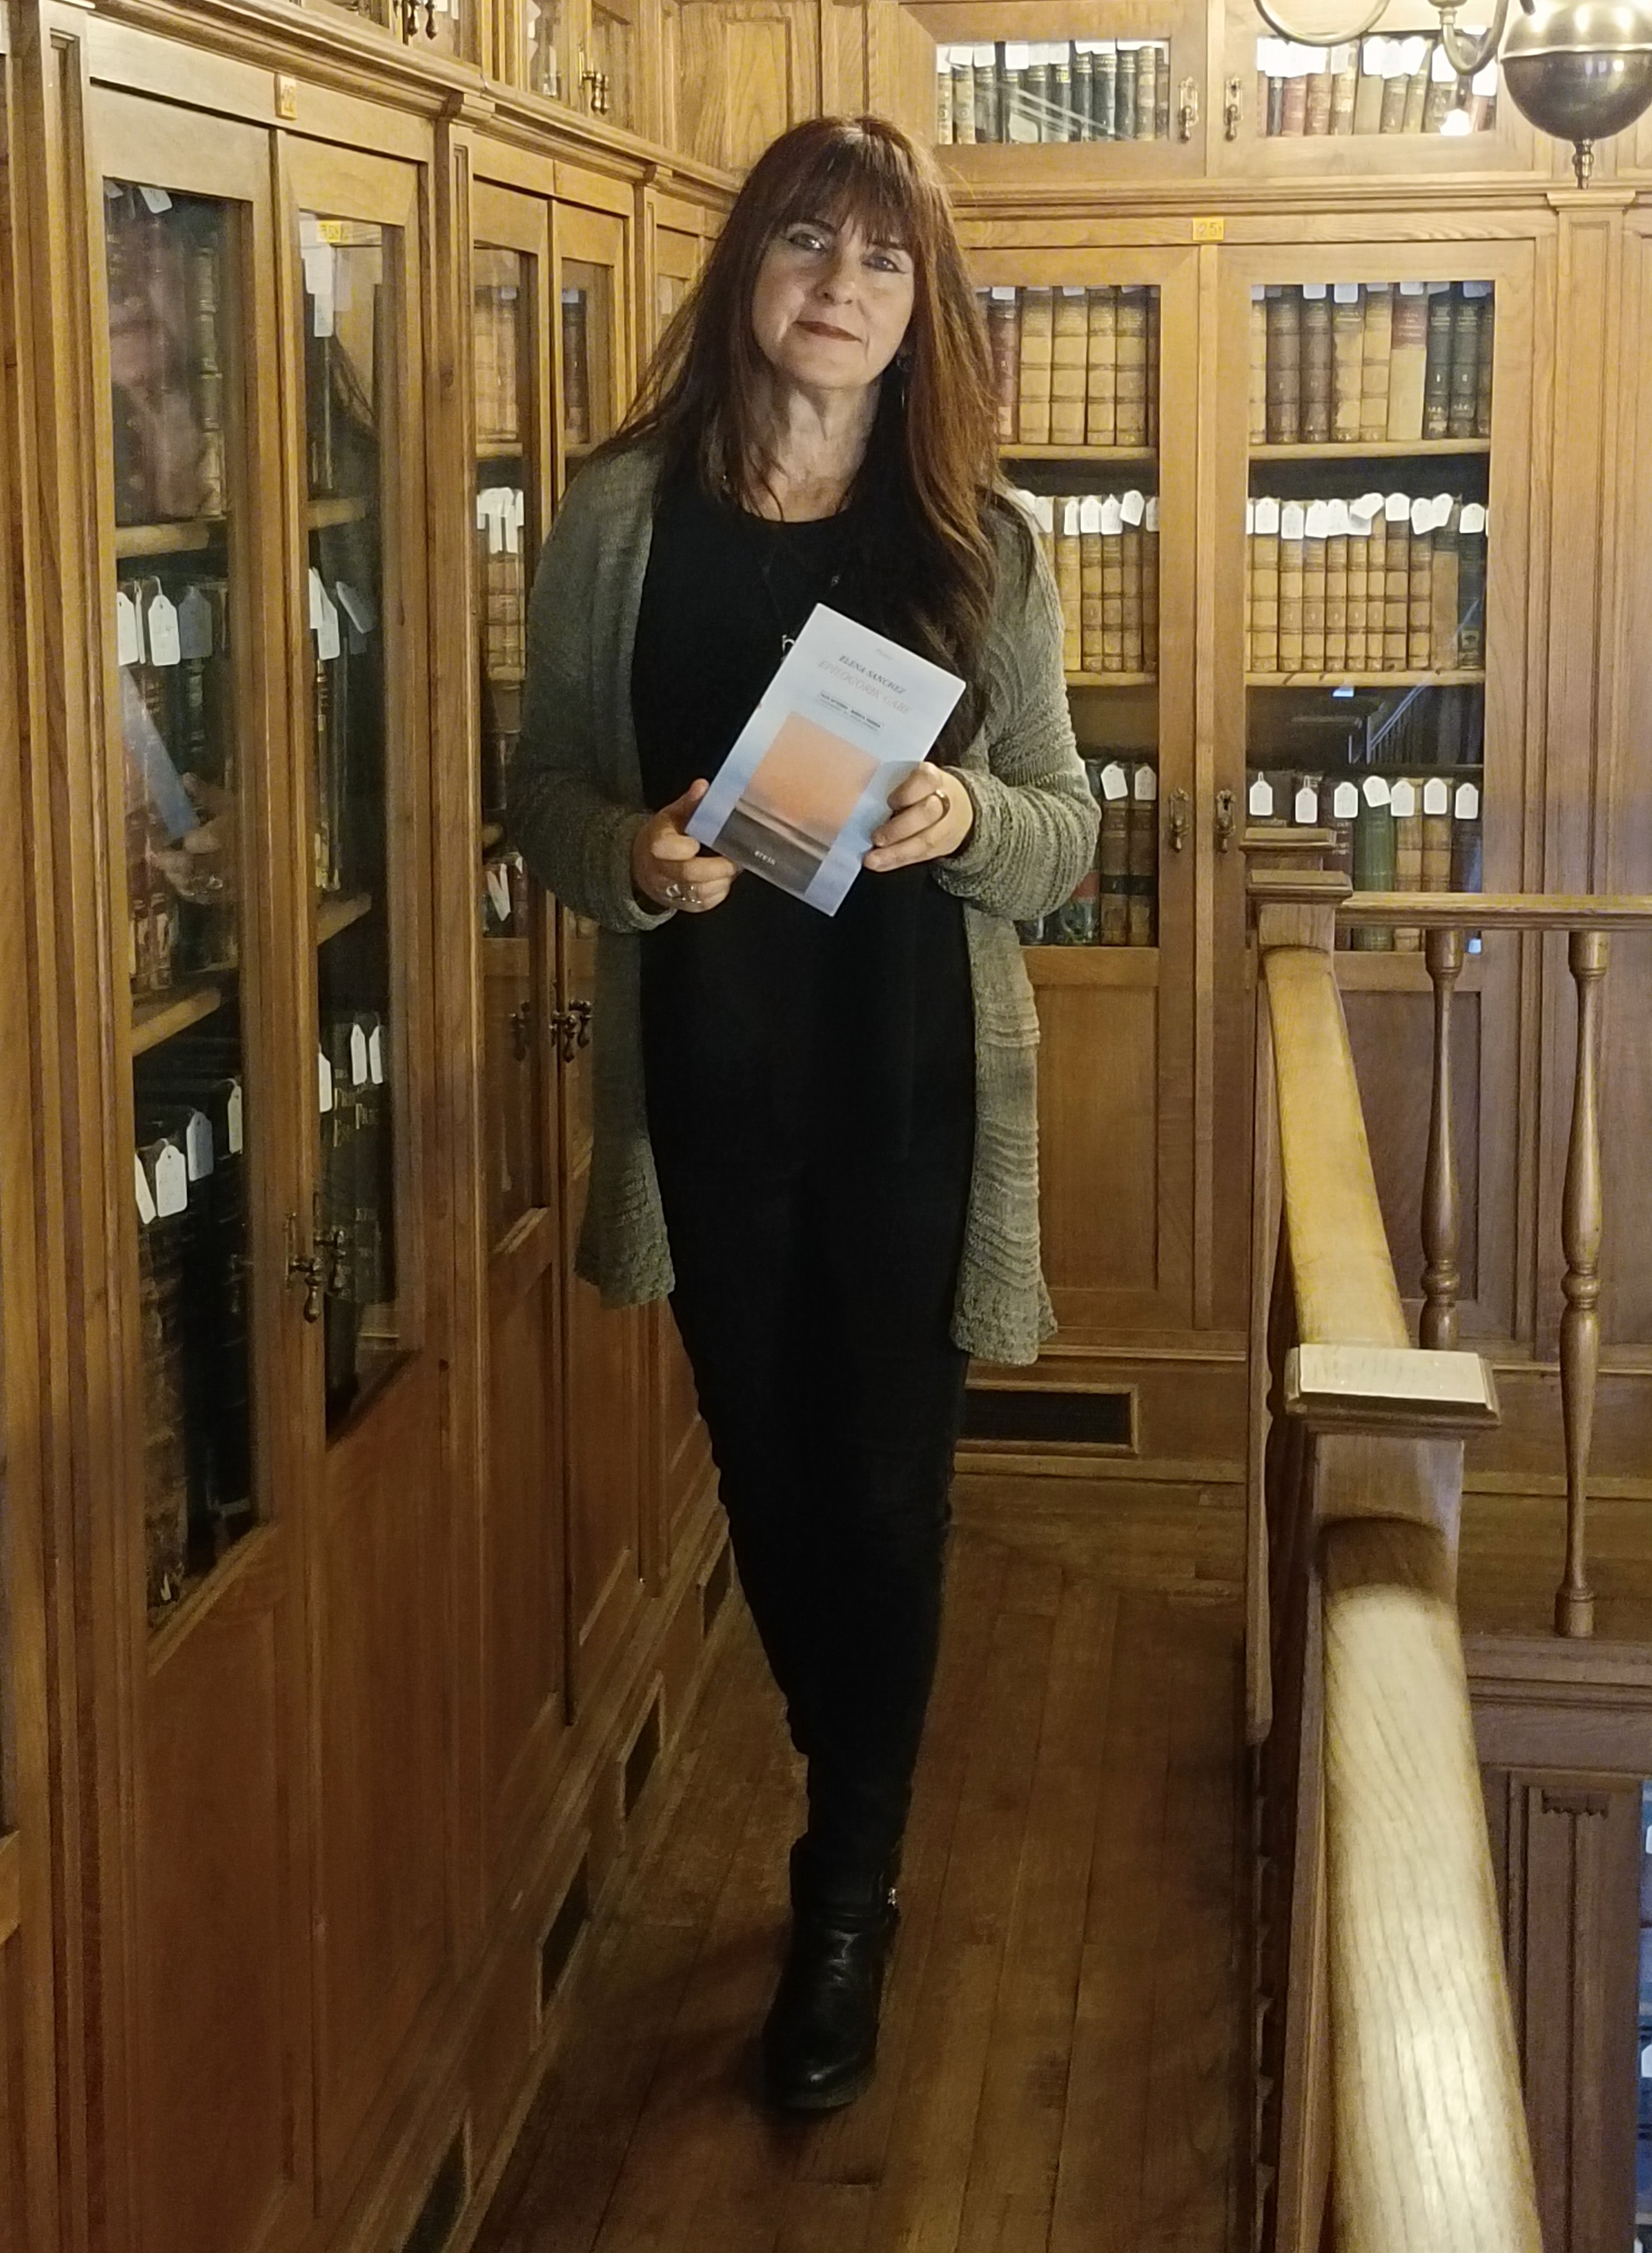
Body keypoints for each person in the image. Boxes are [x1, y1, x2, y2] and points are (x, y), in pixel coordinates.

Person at [511, 114, 1097, 2113]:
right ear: (746, 270)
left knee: (891, 1495)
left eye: (883, 260)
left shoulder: (981, 541)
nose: (841, 287)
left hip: (917, 1096)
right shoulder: (621, 516)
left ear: (923, 308)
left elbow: (1064, 830)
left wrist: (965, 814)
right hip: (710, 1099)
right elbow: (545, 793)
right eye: (806, 244)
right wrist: (633, 855)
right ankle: (855, 1781)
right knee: (770, 1483)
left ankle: (846, 1886)